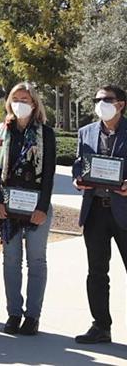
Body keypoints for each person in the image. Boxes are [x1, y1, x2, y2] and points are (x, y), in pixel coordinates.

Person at [0, 83, 55, 336]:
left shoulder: (45, 134)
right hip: (7, 207)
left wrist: (43, 207)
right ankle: (14, 313)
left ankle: (32, 317)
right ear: (9, 101)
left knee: (36, 261)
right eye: (16, 98)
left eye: (25, 99)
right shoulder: (0, 131)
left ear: (34, 104)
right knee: (11, 261)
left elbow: (48, 174)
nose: (20, 102)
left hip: (36, 207)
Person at [70, 85, 127, 345]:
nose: (100, 103)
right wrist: (77, 180)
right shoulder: (86, 132)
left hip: (124, 212)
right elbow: (79, 165)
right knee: (96, 273)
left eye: (106, 99)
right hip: (95, 212)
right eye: (97, 100)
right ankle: (101, 327)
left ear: (121, 104)